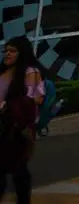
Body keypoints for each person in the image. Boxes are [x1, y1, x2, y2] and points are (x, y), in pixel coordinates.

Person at [0, 37, 45, 203]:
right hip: (2, 126)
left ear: (22, 53)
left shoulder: (30, 72)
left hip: (18, 128)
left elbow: (36, 98)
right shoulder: (3, 71)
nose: (7, 54)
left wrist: (8, 106)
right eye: (5, 51)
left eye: (12, 51)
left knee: (18, 168)